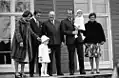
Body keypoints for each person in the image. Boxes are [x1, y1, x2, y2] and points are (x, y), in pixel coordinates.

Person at [61, 9, 86, 75]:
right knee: (71, 56)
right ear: (67, 14)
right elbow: (63, 31)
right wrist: (72, 32)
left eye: (71, 13)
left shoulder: (77, 19)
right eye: (68, 13)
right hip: (70, 40)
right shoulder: (64, 22)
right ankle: (72, 71)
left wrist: (80, 29)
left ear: (72, 14)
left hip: (79, 40)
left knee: (81, 55)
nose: (69, 15)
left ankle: (82, 70)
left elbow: (82, 28)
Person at [11, 10, 33, 78]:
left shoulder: (28, 23)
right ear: (25, 16)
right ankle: (16, 72)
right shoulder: (19, 22)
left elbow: (31, 32)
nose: (29, 18)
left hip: (25, 43)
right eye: (29, 17)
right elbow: (17, 32)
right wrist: (20, 41)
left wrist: (37, 37)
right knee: (17, 58)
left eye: (30, 17)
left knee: (24, 58)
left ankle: (22, 72)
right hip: (18, 43)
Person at [42, 11, 64, 76]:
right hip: (50, 44)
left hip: (58, 43)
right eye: (50, 15)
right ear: (48, 16)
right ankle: (50, 72)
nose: (51, 16)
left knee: (58, 58)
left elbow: (61, 33)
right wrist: (45, 42)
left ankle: (59, 72)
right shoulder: (45, 23)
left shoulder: (58, 23)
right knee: (50, 58)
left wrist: (62, 41)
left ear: (54, 16)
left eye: (53, 15)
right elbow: (43, 34)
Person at [29, 10, 42, 77]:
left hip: (39, 43)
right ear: (34, 15)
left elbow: (41, 32)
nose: (39, 17)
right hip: (32, 43)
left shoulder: (40, 22)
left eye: (40, 15)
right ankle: (31, 73)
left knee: (39, 58)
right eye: (38, 15)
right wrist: (36, 37)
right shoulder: (30, 22)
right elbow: (31, 32)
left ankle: (40, 72)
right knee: (32, 58)